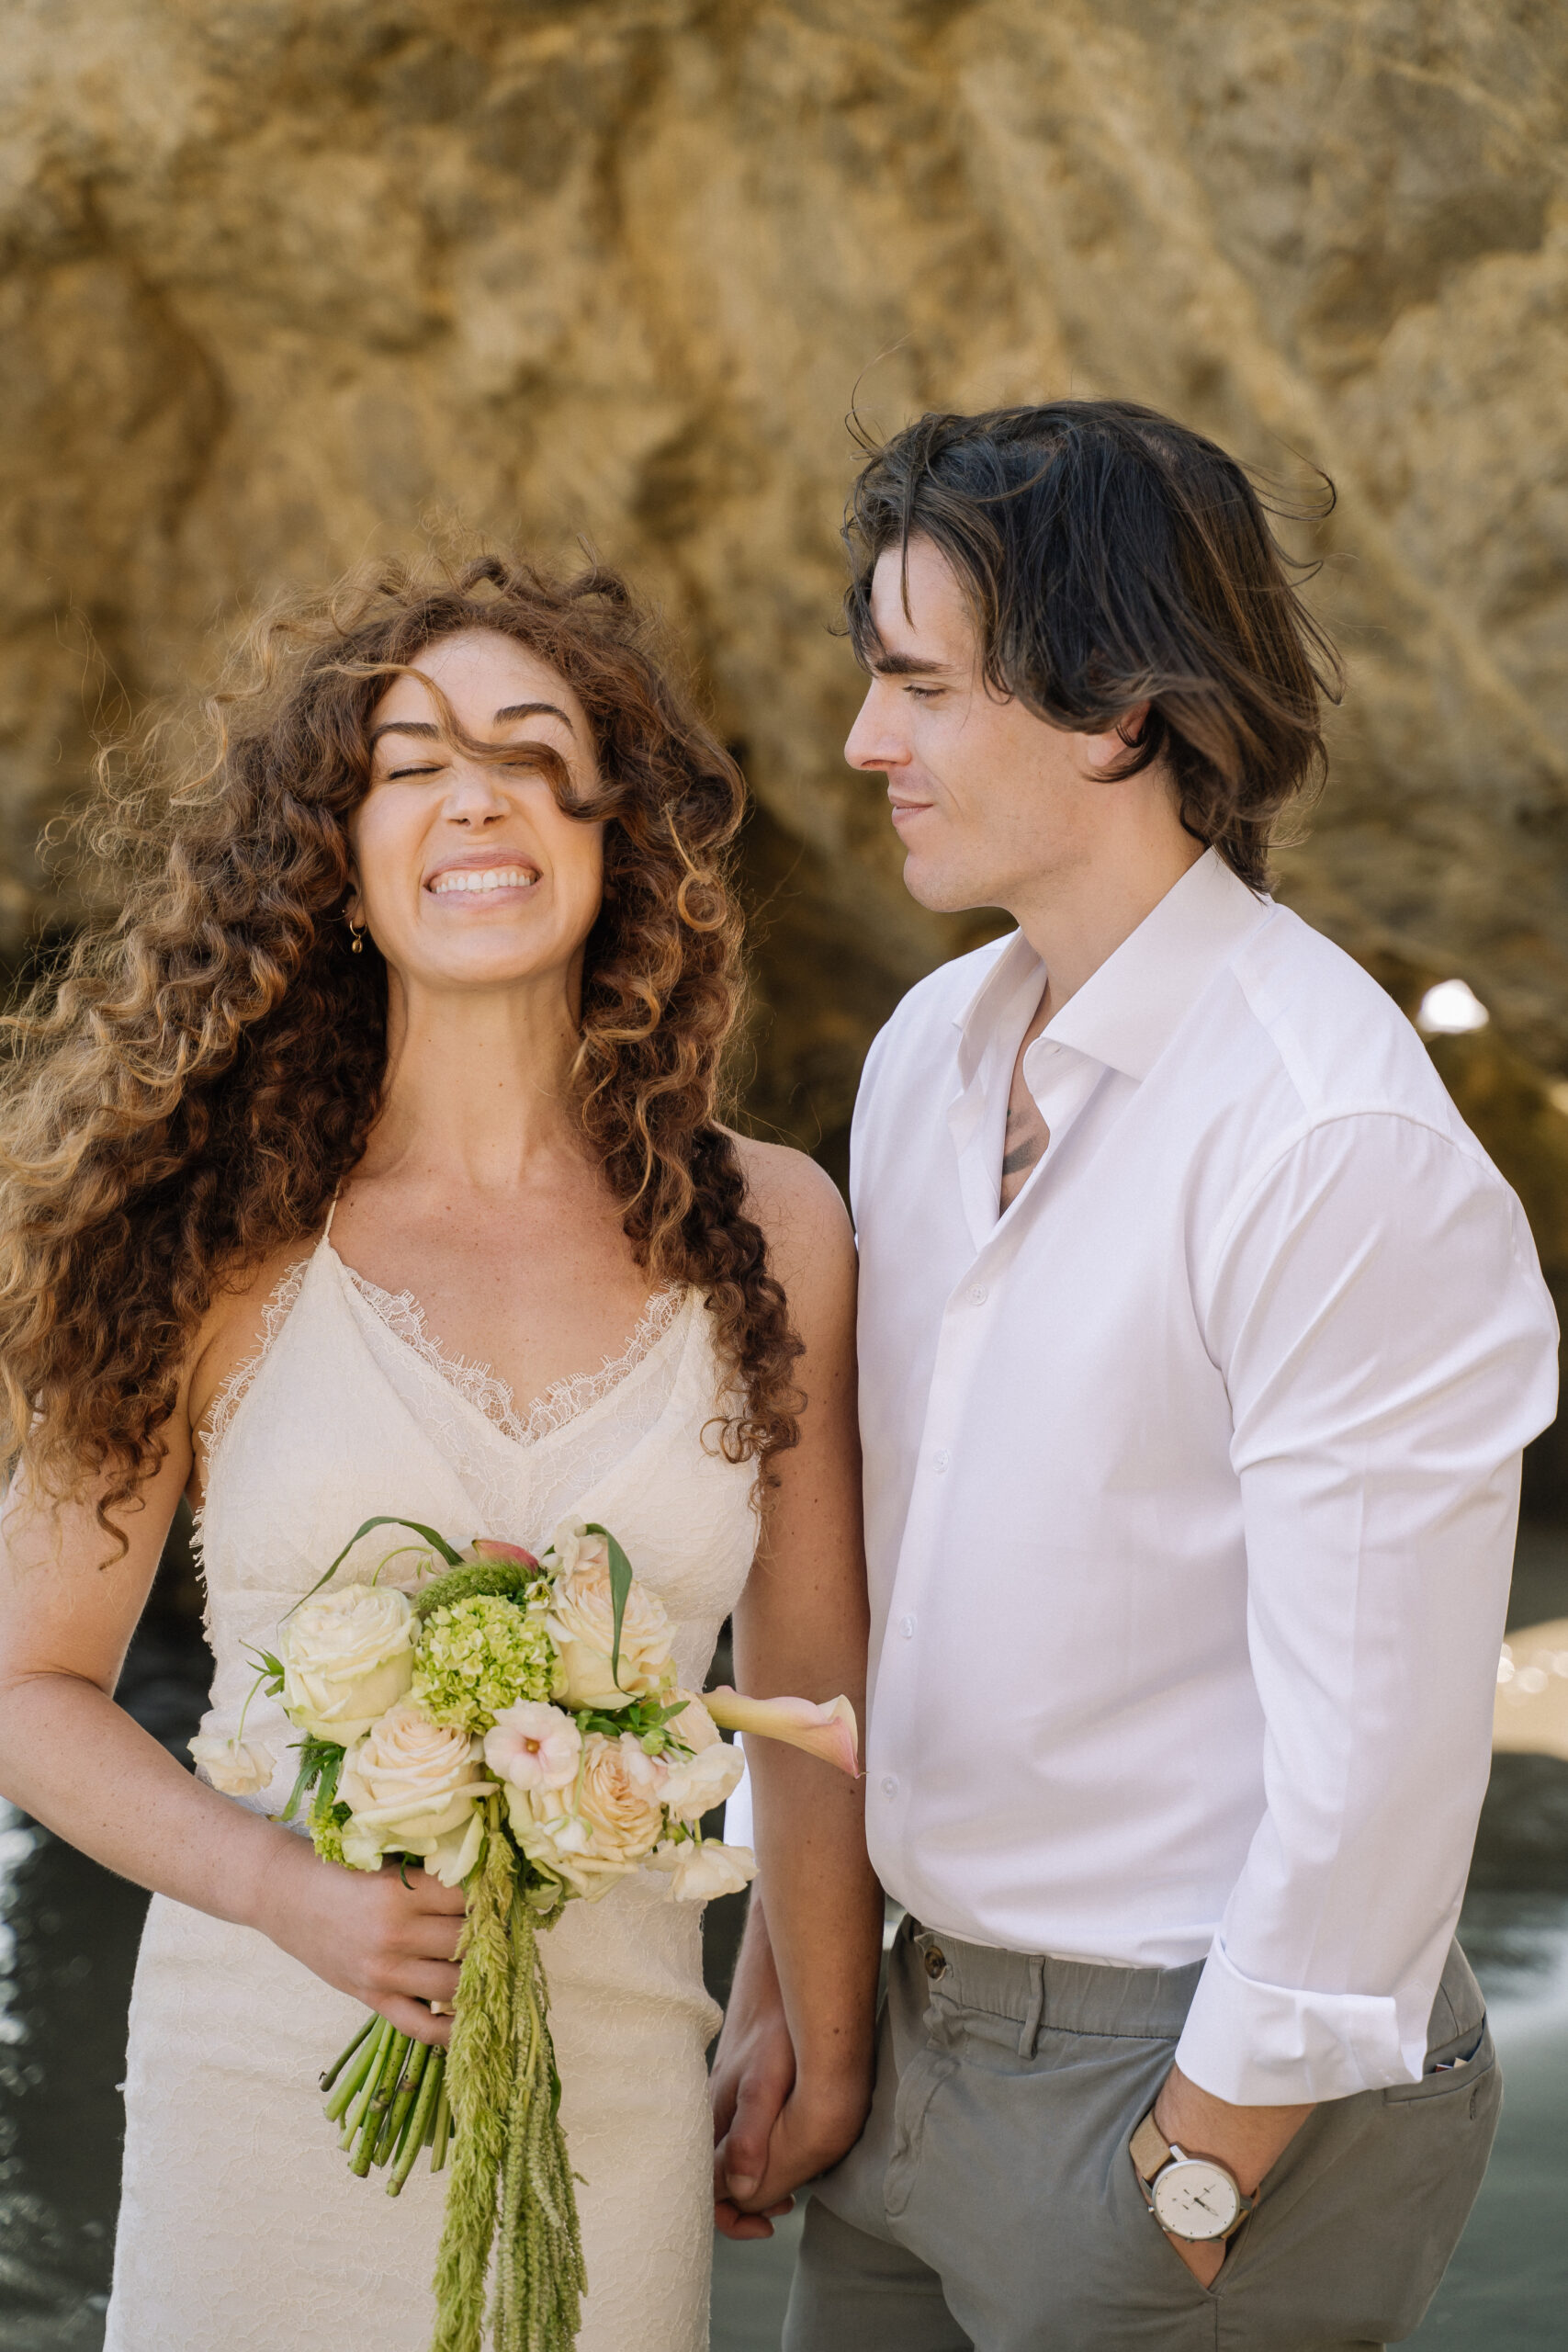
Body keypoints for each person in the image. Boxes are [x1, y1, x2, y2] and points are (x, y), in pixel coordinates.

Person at [711, 403, 1560, 2349]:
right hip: (917, 2032)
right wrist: (792, 1966)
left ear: (1114, 715)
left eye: (916, 685)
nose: (860, 742)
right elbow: (878, 1584)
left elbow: (1377, 1770)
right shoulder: (923, 1054)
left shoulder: (1327, 1137)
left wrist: (1189, 2172)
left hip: (1192, 2079)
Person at [0, 554, 883, 2352]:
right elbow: (27, 1680)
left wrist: (809, 2023)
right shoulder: (207, 1231)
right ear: (335, 854)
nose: (471, 791)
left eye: (530, 748)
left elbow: (808, 1685)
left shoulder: (773, 1224)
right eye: (409, 760)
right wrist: (288, 1892)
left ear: (614, 835)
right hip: (256, 2079)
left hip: (615, 2085)